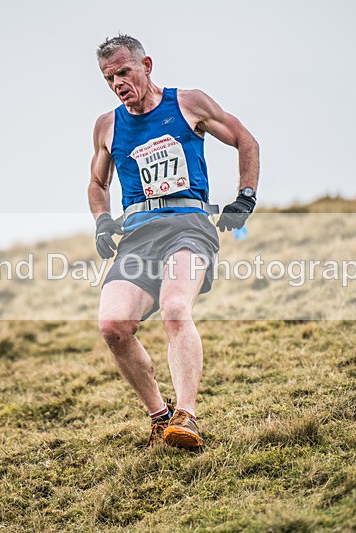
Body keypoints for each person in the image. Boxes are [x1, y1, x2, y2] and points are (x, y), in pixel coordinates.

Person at [88, 34, 259, 450]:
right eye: (109, 78)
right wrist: (102, 221)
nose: (118, 83)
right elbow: (97, 182)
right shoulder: (108, 126)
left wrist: (245, 197)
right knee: (113, 326)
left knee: (176, 309)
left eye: (124, 72)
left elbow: (245, 140)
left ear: (146, 65)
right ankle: (160, 417)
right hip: (138, 235)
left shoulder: (187, 104)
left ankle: (187, 415)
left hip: (188, 225)